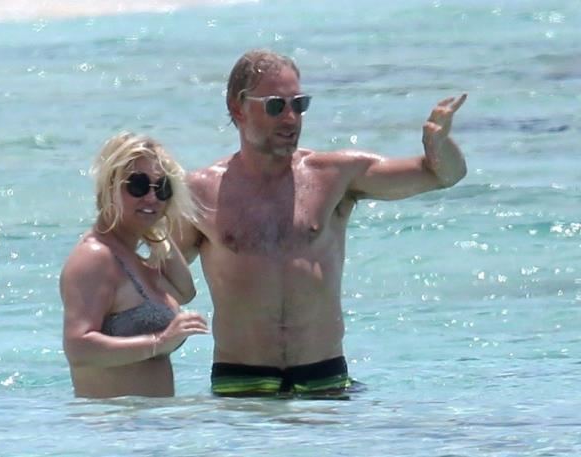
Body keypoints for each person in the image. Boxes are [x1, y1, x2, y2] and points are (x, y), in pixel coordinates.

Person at [173, 49, 468, 398]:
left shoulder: (334, 176)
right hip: (241, 382)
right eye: (275, 106)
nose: (290, 118)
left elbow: (443, 175)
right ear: (238, 108)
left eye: (299, 105)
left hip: (324, 380)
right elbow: (159, 281)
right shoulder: (199, 192)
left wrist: (440, 144)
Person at [61, 132, 209, 398]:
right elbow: (78, 348)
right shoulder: (95, 257)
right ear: (110, 187)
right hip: (112, 422)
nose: (152, 197)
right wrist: (158, 343)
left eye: (162, 188)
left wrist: (155, 228)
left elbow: (184, 291)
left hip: (149, 422)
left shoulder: (134, 259)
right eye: (138, 185)